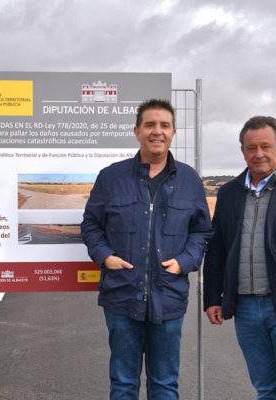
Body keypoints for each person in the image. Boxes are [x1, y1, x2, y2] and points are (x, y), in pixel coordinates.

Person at [81, 98, 213, 399]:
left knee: (165, 384)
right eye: (150, 125)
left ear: (173, 132)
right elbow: (90, 225)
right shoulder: (111, 177)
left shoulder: (190, 181)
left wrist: (185, 261)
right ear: (137, 131)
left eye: (164, 125)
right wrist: (105, 257)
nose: (157, 131)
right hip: (122, 296)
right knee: (124, 383)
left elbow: (202, 231)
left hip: (169, 297)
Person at [204, 116, 276, 399]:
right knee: (265, 388)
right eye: (251, 147)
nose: (259, 154)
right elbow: (217, 248)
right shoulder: (229, 192)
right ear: (243, 151)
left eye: (266, 146)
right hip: (245, 307)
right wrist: (212, 298)